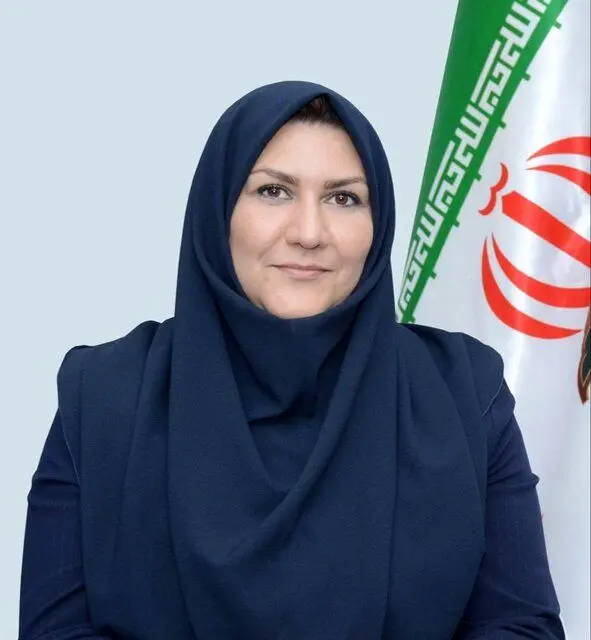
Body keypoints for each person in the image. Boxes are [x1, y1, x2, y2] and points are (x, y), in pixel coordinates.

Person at [19, 81, 565, 640]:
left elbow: (522, 626)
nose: (308, 233)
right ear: (218, 210)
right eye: (273, 191)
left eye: (343, 198)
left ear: (378, 226)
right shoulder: (103, 397)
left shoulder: (465, 394)